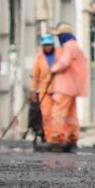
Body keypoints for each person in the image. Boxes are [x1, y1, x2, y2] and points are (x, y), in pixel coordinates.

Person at [47, 22, 89, 152]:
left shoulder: (69, 47)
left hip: (65, 87)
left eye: (59, 36)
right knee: (71, 114)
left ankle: (56, 139)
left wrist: (53, 69)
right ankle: (72, 138)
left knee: (58, 113)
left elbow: (64, 63)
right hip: (73, 87)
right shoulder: (76, 47)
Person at [29, 34, 56, 141]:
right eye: (45, 45)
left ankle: (58, 136)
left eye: (49, 45)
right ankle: (49, 138)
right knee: (46, 115)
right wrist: (33, 90)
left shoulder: (59, 56)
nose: (47, 47)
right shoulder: (39, 58)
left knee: (58, 115)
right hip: (44, 91)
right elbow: (35, 77)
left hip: (58, 90)